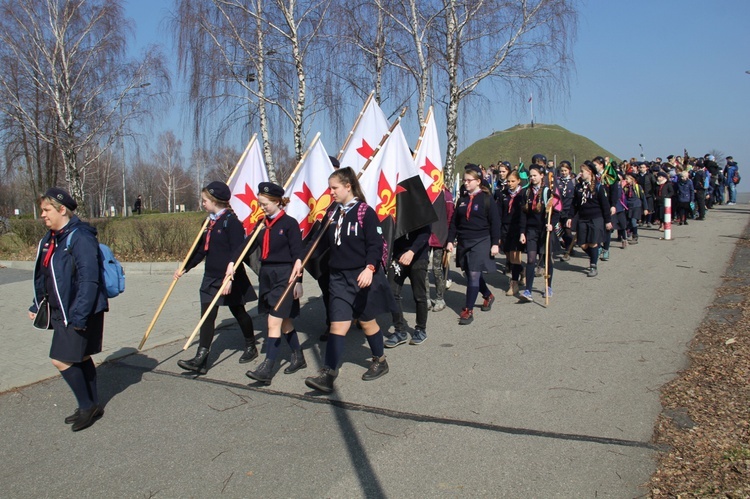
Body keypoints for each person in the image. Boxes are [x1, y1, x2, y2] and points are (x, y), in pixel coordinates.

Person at [295, 167, 397, 393]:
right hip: (338, 277)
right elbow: (319, 243)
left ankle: (380, 360)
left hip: (361, 277)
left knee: (368, 322)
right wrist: (301, 258)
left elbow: (375, 244)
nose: (330, 192)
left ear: (348, 186)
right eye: (330, 188)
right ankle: (328, 373)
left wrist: (370, 267)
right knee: (337, 325)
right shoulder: (332, 213)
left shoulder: (364, 212)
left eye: (334, 188)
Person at [29, 188, 108, 431]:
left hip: (79, 310)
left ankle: (86, 405)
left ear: (62, 209)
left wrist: (79, 316)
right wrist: (37, 303)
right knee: (81, 357)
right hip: (61, 310)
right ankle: (92, 404)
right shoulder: (51, 238)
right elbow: (44, 276)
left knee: (60, 360)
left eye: (47, 210)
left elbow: (89, 280)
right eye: (42, 210)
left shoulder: (80, 237)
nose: (43, 215)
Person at [175, 181, 258, 375]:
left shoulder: (232, 223)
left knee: (239, 312)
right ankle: (201, 359)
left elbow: (237, 252)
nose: (202, 203)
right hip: (210, 277)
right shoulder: (208, 223)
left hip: (229, 277)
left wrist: (229, 278)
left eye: (204, 200)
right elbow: (200, 250)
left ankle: (250, 345)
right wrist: (184, 268)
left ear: (214, 201)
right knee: (207, 316)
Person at [244, 182, 306, 385]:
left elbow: (298, 254)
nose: (262, 208)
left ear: (277, 202)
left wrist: (298, 281)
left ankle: (267, 367)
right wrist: (230, 263)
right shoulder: (262, 224)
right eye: (260, 204)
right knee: (284, 320)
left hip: (285, 276)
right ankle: (298, 356)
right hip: (267, 275)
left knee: (273, 321)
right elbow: (246, 247)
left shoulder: (289, 224)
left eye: (265, 204)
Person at [446, 164, 501, 324]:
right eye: (464, 180)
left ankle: (468, 310)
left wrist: (495, 243)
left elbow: (495, 222)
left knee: (475, 274)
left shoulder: (486, 198)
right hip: (464, 241)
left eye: (469, 180)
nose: (466, 183)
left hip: (481, 240)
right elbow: (455, 223)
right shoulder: (462, 200)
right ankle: (488, 295)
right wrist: (450, 240)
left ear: (478, 181)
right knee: (470, 274)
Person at [385, 224, 431, 347]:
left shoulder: (421, 206)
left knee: (419, 295)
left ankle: (421, 329)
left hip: (418, 257)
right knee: (392, 292)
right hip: (398, 256)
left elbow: (426, 232)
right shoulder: (393, 206)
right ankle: (400, 331)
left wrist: (412, 251)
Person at [519, 166, 560, 301]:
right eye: (530, 176)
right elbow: (523, 215)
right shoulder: (526, 193)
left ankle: (548, 286)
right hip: (531, 231)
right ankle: (528, 290)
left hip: (545, 231)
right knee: (531, 259)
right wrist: (522, 232)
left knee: (547, 259)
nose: (532, 178)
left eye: (535, 175)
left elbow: (557, 211)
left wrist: (551, 225)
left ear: (542, 176)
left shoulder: (549, 192)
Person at [568, 162, 611, 277]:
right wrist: (570, 217)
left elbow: (605, 205)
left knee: (592, 242)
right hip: (583, 218)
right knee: (582, 244)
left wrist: (608, 221)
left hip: (596, 218)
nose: (580, 173)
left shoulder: (598, 187)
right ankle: (595, 253)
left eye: (582, 171)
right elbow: (574, 204)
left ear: (590, 172)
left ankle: (593, 265)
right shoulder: (578, 187)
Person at [426, 186, 454, 312]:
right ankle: (425, 298)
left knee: (436, 269)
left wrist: (449, 239)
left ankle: (439, 298)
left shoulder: (446, 195)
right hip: (425, 237)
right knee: (423, 269)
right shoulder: (425, 190)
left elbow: (450, 216)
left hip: (440, 236)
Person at [497, 170, 524, 296]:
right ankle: (522, 271)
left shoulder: (523, 194)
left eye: (513, 181)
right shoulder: (503, 194)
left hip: (517, 228)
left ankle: (514, 283)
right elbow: (498, 213)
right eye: (508, 181)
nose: (510, 184)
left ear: (518, 181)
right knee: (508, 255)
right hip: (505, 227)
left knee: (515, 256)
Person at [557, 161, 576, 260]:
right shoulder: (558, 182)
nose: (563, 172)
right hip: (559, 209)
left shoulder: (573, 182)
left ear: (569, 171)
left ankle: (568, 250)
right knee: (560, 230)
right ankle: (570, 245)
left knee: (568, 230)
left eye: (565, 170)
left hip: (569, 209)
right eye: (562, 171)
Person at [624, 173, 647, 243]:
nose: (626, 180)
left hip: (636, 206)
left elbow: (643, 198)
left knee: (633, 221)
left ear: (632, 179)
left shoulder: (638, 187)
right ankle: (629, 231)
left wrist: (646, 208)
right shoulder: (625, 187)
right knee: (628, 221)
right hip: (628, 206)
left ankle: (635, 235)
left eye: (627, 179)